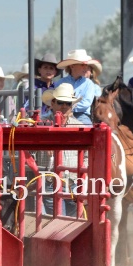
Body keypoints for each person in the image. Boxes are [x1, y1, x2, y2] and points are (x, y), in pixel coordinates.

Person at [40, 83, 85, 216]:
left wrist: (84, 177)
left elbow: (87, 155)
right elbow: (28, 151)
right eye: (61, 102)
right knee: (59, 219)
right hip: (50, 181)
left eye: (68, 103)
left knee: (73, 222)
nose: (64, 106)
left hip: (74, 182)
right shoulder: (40, 124)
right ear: (53, 103)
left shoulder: (79, 126)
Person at [55, 49, 98, 124]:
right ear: (72, 66)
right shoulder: (59, 83)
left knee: (89, 132)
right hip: (60, 114)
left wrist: (68, 109)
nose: (86, 68)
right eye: (82, 65)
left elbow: (86, 103)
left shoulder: (89, 84)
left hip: (81, 116)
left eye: (86, 65)